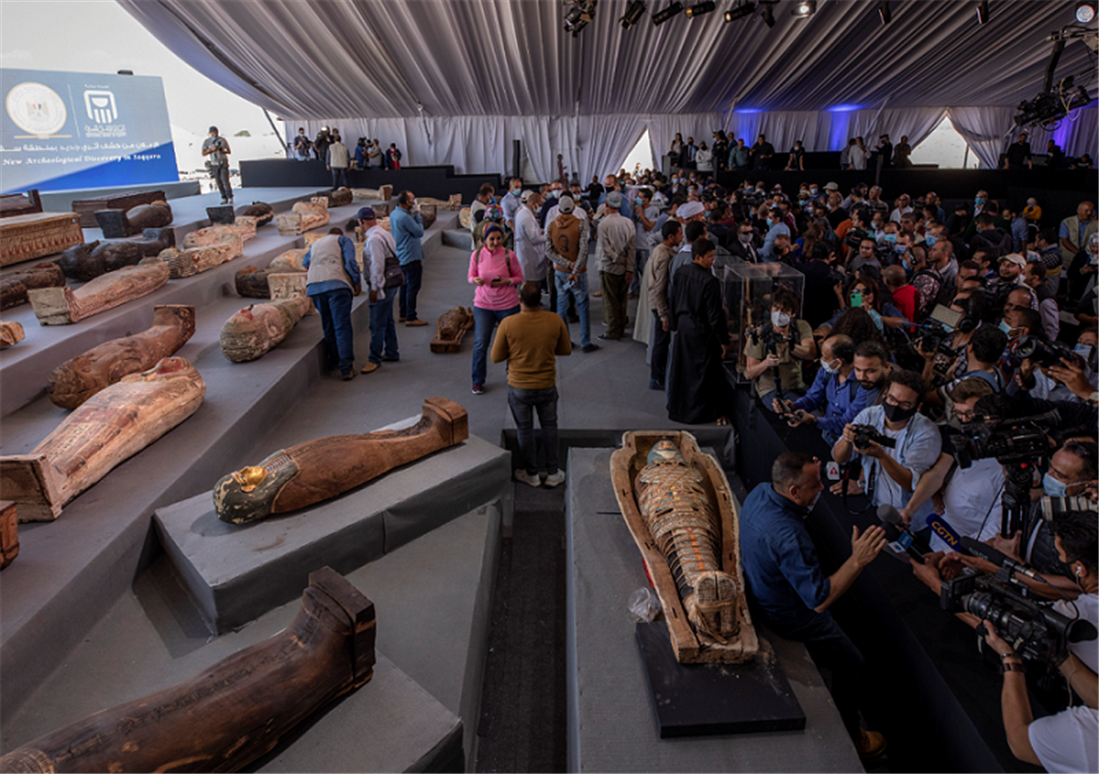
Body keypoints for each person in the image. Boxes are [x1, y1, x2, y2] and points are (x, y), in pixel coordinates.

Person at [739, 452, 889, 759]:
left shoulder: (760, 492)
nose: (821, 488)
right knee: (853, 663)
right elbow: (819, 601)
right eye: (815, 485)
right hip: (789, 615)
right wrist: (858, 561)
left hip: (762, 587)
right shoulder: (790, 538)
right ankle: (855, 737)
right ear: (794, 491)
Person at [833, 370, 942, 522]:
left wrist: (881, 456)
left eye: (905, 404)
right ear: (885, 394)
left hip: (908, 514)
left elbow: (910, 484)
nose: (895, 406)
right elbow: (839, 458)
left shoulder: (926, 433)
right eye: (891, 398)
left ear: (918, 407)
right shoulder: (870, 415)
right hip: (874, 502)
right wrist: (846, 439)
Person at [491, 282, 571, 488]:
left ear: (519, 300)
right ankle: (553, 472)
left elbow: (495, 357)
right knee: (550, 426)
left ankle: (531, 473)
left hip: (519, 387)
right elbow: (565, 350)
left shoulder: (508, 324)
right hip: (546, 384)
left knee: (524, 429)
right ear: (540, 300)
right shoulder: (554, 320)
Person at [666, 239, 731, 424]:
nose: (712, 260)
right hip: (701, 332)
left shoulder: (681, 272)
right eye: (709, 257)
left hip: (683, 328)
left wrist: (674, 325)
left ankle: (679, 409)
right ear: (698, 257)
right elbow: (714, 315)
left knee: (683, 370)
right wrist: (723, 340)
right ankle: (698, 413)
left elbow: (673, 299)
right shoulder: (710, 281)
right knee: (700, 374)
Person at [468, 224, 524, 395]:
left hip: (507, 305)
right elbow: (470, 276)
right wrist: (475, 280)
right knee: (480, 344)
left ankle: (513, 375)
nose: (495, 242)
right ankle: (477, 380)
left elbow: (519, 277)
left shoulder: (509, 255)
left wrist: (507, 281)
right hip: (483, 305)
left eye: (499, 238)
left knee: (512, 342)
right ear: (484, 240)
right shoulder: (477, 255)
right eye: (491, 239)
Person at [303, 227, 361, 380]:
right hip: (337, 285)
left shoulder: (315, 244)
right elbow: (350, 261)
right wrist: (356, 281)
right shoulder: (343, 240)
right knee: (342, 326)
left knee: (328, 325)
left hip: (315, 287)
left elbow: (305, 263)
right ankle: (347, 368)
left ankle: (334, 361)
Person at [744, 286, 816, 409]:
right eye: (776, 308)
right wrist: (767, 363)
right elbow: (750, 373)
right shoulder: (760, 333)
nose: (779, 314)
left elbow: (811, 353)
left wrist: (788, 344)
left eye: (785, 310)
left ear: (793, 313)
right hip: (771, 389)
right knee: (797, 409)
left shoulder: (800, 327)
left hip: (799, 385)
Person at [547, 196, 597, 353]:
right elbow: (583, 249)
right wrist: (574, 269)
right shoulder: (580, 224)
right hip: (577, 274)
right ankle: (585, 342)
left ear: (559, 209)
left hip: (560, 273)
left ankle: (565, 341)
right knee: (582, 305)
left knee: (561, 305)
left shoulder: (551, 226)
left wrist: (565, 264)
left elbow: (549, 251)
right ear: (574, 208)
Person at [357, 207, 404, 375]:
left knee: (376, 323)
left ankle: (374, 358)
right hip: (391, 281)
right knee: (387, 318)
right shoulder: (384, 233)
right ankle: (391, 351)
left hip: (383, 285)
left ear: (361, 221)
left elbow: (377, 265)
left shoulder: (374, 239)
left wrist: (375, 288)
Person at [646, 220, 682, 391]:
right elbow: (659, 288)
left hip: (658, 303)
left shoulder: (662, 250)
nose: (682, 237)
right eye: (680, 234)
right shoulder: (665, 255)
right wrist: (664, 315)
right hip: (660, 305)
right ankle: (656, 378)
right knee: (661, 342)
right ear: (671, 236)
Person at [595, 191, 635, 342]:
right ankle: (621, 326)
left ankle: (613, 331)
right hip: (625, 268)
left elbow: (606, 249)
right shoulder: (628, 223)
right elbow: (632, 248)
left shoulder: (603, 224)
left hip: (609, 267)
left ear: (606, 204)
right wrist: (629, 267)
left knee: (610, 300)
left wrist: (618, 259)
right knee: (622, 299)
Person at [391, 190, 428, 327]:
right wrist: (417, 215)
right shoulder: (405, 217)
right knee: (413, 286)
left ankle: (403, 313)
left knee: (405, 286)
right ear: (407, 202)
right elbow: (419, 232)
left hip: (401, 254)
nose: (415, 201)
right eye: (413, 199)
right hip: (410, 255)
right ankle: (411, 316)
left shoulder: (394, 214)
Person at [202, 126, 232, 204]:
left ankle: (230, 196)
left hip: (222, 162)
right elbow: (203, 153)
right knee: (218, 181)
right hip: (214, 163)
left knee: (225, 180)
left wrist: (222, 151)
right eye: (213, 132)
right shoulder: (207, 142)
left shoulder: (222, 140)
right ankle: (224, 197)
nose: (214, 134)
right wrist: (211, 150)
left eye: (216, 132)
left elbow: (229, 151)